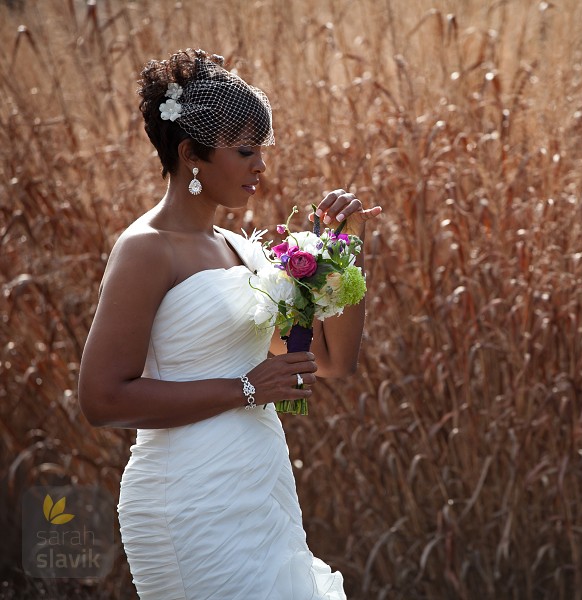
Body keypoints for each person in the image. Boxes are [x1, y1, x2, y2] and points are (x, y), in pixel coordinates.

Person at [78, 48, 381, 599]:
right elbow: (101, 399)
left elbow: (334, 361)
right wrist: (244, 389)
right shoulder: (147, 250)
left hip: (259, 488)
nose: (260, 166)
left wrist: (341, 247)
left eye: (261, 150)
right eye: (244, 150)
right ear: (191, 154)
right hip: (189, 499)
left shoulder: (242, 251)